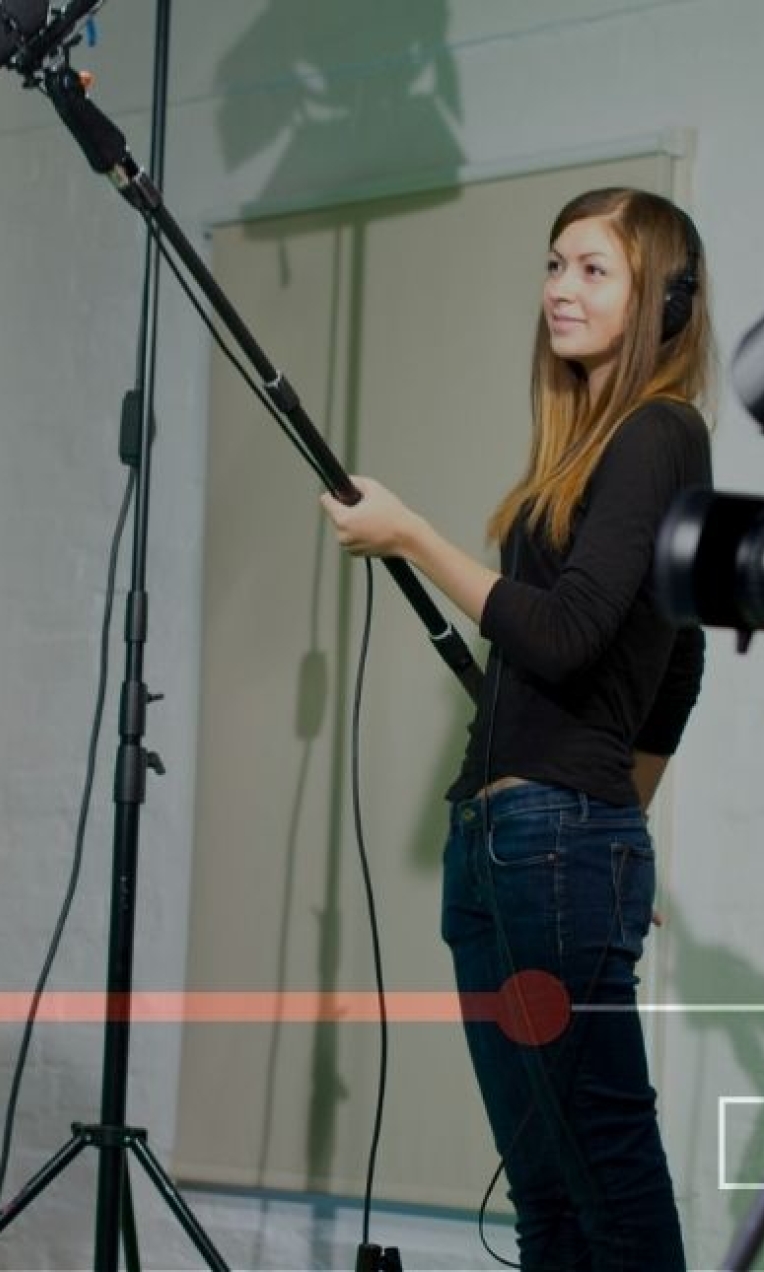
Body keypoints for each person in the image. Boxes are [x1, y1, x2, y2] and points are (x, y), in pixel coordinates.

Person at [322, 187, 713, 1270]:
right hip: (509, 852)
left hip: (551, 847)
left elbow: (573, 633)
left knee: (609, 1187)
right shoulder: (587, 452)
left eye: (593, 269)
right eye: (553, 265)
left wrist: (412, 538)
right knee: (546, 1198)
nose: (559, 289)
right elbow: (676, 661)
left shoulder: (659, 432)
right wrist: (616, 823)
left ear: (664, 303)